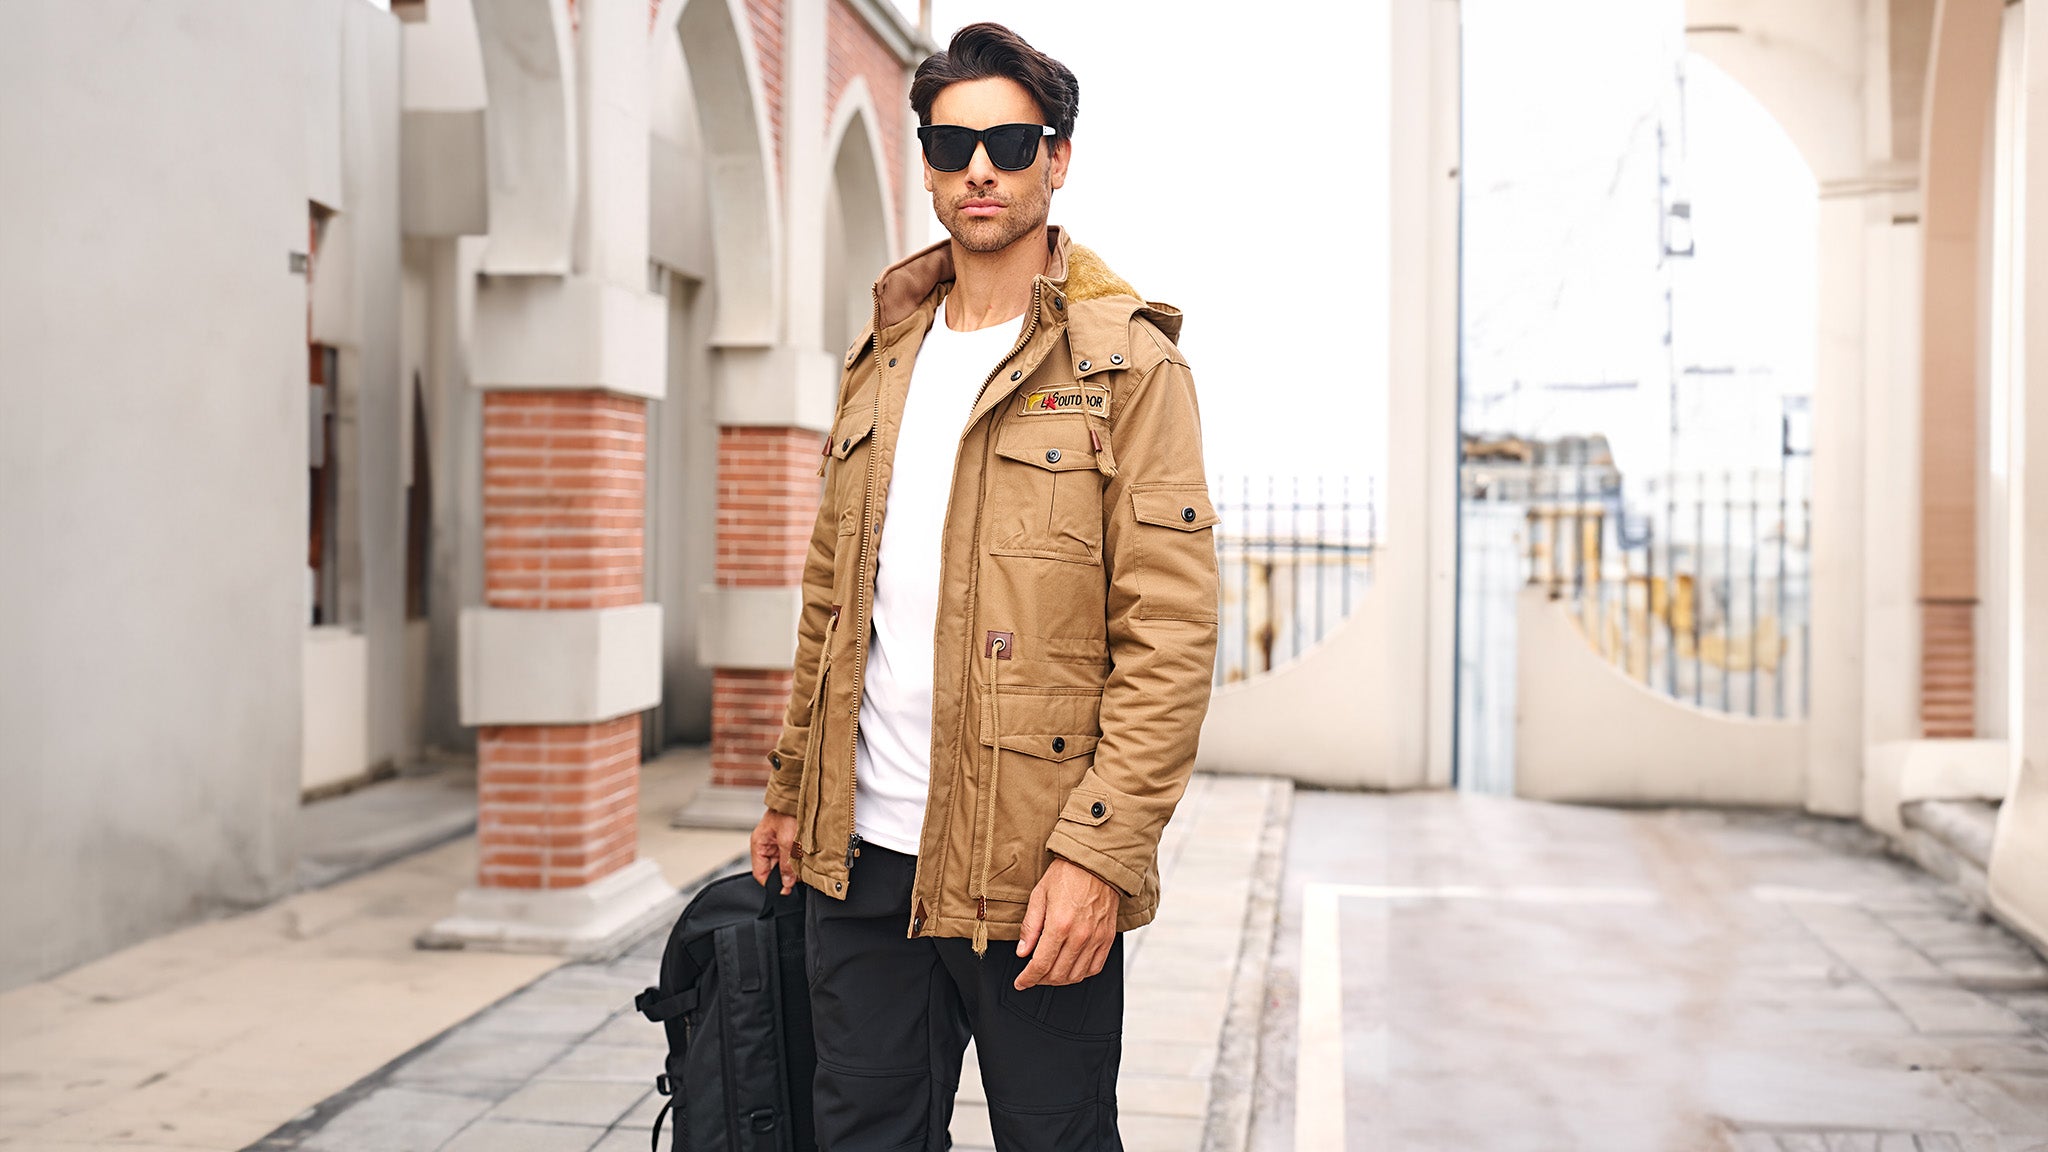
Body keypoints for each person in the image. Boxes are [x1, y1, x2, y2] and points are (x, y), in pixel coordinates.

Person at [747, 21, 1218, 1151]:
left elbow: (1169, 638)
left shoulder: (1126, 368)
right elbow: (829, 604)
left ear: (1056, 159)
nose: (980, 170)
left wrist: (1098, 856)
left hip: (1032, 876)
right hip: (859, 865)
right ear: (923, 161)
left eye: (1010, 143)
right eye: (952, 145)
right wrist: (786, 787)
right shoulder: (882, 362)